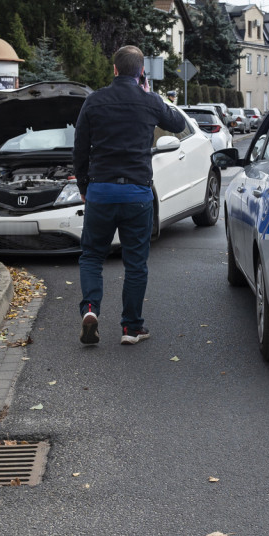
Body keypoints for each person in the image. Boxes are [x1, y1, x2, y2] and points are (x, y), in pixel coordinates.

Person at [73, 45, 186, 346]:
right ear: (141, 73)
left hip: (101, 190)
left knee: (92, 256)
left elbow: (80, 148)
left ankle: (90, 310)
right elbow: (179, 124)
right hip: (137, 193)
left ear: (114, 69)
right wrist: (151, 93)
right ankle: (131, 328)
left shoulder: (94, 101)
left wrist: (85, 187)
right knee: (136, 263)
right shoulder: (149, 101)